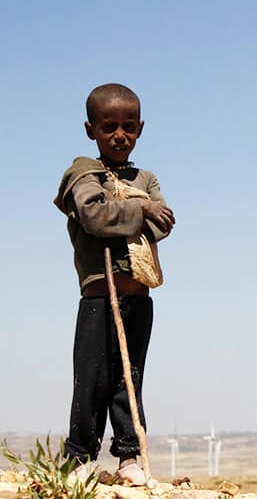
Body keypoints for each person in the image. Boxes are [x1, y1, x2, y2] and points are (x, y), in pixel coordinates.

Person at [54, 83, 175, 485]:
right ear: (92, 130)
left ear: (141, 127)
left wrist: (123, 210)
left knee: (129, 379)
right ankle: (80, 460)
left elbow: (163, 223)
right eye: (109, 127)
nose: (119, 135)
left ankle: (129, 457)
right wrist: (139, 206)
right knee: (92, 381)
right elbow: (92, 215)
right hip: (97, 298)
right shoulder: (82, 172)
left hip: (138, 298)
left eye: (128, 126)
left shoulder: (147, 176)